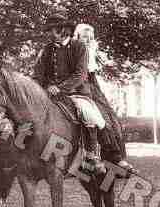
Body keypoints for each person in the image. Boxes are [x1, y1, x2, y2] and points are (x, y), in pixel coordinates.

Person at [33, 13, 135, 175]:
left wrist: (60, 88)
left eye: (52, 30)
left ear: (63, 30)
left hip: (76, 93)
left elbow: (80, 75)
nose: (49, 34)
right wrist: (48, 86)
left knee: (91, 115)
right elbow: (37, 75)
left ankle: (103, 156)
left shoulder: (79, 47)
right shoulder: (45, 50)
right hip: (50, 95)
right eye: (48, 31)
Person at [73, 23, 136, 175]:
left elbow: (92, 77)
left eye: (90, 38)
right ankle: (92, 158)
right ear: (77, 37)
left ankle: (115, 159)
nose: (87, 40)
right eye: (84, 37)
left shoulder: (90, 52)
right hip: (79, 87)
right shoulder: (74, 51)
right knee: (97, 118)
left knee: (112, 119)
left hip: (92, 87)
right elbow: (77, 76)